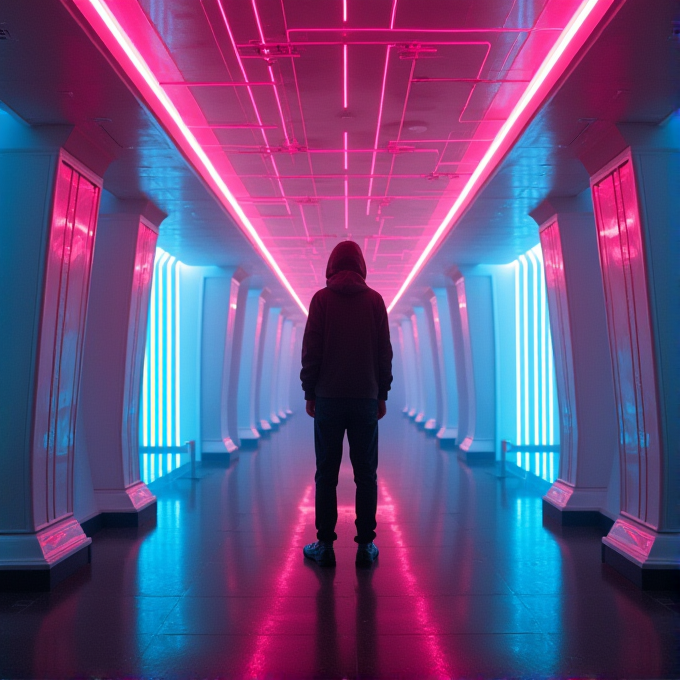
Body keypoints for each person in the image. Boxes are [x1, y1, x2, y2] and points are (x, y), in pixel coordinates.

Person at [300, 240, 393, 568]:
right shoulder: (375, 301)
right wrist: (382, 393)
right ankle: (366, 545)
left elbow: (312, 350)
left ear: (332, 265)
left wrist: (309, 391)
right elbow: (384, 353)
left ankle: (324, 545)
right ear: (361, 266)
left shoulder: (321, 300)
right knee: (366, 472)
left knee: (326, 472)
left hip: (328, 397)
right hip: (365, 398)